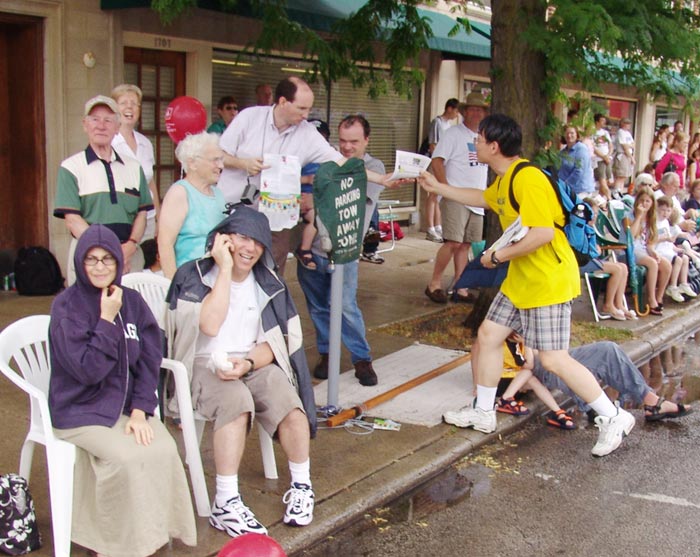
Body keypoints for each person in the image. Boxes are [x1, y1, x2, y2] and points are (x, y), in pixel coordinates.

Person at [418, 113, 636, 457]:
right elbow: (483, 198)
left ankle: (613, 416)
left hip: (547, 280)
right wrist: (438, 187)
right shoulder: (507, 179)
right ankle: (483, 411)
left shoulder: (528, 178)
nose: (475, 143)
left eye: (479, 139)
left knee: (553, 359)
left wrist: (497, 256)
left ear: (494, 146)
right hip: (523, 279)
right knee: (488, 337)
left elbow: (543, 233)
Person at [166, 206, 317, 536]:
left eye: (259, 242)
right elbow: (209, 325)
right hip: (201, 365)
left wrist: (247, 363)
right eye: (243, 238)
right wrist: (223, 269)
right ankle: (225, 503)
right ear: (224, 239)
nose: (250, 248)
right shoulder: (193, 276)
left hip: (249, 362)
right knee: (236, 402)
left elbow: (274, 345)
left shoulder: (268, 284)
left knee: (290, 404)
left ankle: (302, 486)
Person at [48, 224, 196, 557]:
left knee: (163, 449)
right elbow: (87, 371)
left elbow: (149, 359)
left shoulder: (132, 301)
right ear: (80, 263)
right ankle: (111, 545)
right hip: (81, 410)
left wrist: (141, 410)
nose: (100, 267)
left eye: (107, 259)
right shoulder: (67, 307)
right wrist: (105, 319)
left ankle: (153, 537)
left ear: (119, 262)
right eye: (91, 259)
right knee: (126, 458)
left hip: (126, 407)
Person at [217, 76, 389, 274]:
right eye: (301, 108)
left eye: (309, 109)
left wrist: (381, 179)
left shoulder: (307, 133)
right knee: (228, 273)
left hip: (276, 219)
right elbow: (217, 155)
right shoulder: (249, 117)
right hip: (234, 212)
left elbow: (340, 162)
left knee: (271, 276)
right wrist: (243, 163)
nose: (306, 115)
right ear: (283, 101)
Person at [296, 115, 384, 387]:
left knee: (345, 306)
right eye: (343, 141)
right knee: (318, 307)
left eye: (354, 141)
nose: (347, 147)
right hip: (312, 249)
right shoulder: (326, 160)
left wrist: (313, 196)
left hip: (345, 252)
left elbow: (349, 197)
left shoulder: (373, 167)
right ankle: (327, 353)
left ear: (366, 140)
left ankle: (361, 358)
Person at [54, 95, 153, 284]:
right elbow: (72, 220)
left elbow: (142, 214)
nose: (101, 126)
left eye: (108, 120)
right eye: (95, 119)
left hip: (130, 257)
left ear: (117, 127)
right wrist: (108, 254)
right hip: (89, 257)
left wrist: (131, 246)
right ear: (85, 125)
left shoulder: (134, 167)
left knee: (130, 303)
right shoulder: (71, 167)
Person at [425, 93, 489, 304]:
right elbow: (437, 161)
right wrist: (445, 188)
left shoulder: (484, 136)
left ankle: (460, 287)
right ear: (464, 112)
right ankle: (434, 284)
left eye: (480, 110)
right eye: (472, 109)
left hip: (477, 198)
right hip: (455, 196)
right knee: (453, 242)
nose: (476, 113)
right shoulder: (453, 133)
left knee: (465, 244)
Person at [531, 341, 690, 422]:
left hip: (547, 351)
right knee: (564, 364)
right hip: (536, 362)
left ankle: (651, 400)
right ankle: (601, 410)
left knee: (608, 349)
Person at [157, 132, 227, 278]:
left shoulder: (219, 194)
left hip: (218, 277)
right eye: (215, 160)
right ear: (192, 163)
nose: (221, 165)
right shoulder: (179, 192)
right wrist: (173, 285)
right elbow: (165, 244)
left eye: (221, 159)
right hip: (189, 279)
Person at [487, 335, 576, 430]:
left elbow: (537, 359)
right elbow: (529, 365)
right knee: (528, 372)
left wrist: (529, 343)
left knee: (533, 380)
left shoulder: (519, 342)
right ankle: (505, 400)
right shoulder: (506, 344)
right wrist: (527, 343)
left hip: (514, 380)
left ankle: (557, 412)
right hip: (499, 382)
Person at [111, 84, 160, 241]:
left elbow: (150, 182)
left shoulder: (145, 143)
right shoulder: (109, 143)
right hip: (122, 219)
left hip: (148, 217)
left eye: (134, 103)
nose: (129, 107)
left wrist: (158, 217)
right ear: (114, 108)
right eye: (124, 103)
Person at [580, 196, 635, 320]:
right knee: (617, 269)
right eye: (592, 213)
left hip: (592, 260)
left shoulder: (590, 228)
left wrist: (596, 250)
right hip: (585, 263)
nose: (594, 217)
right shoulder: (581, 228)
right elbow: (584, 251)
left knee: (623, 267)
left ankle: (619, 304)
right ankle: (608, 305)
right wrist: (596, 251)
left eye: (596, 214)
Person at [295, 119, 332, 271]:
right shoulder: (297, 156)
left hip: (317, 199)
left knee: (316, 217)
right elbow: (283, 178)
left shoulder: (327, 158)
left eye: (321, 138)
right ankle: (304, 249)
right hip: (296, 196)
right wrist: (307, 179)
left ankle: (306, 248)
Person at [630, 185, 671, 315]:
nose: (644, 203)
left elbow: (650, 242)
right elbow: (631, 236)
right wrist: (638, 216)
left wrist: (653, 252)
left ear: (652, 203)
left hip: (644, 250)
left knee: (666, 265)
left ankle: (659, 297)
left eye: (647, 201)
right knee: (652, 264)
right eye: (642, 200)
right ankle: (651, 299)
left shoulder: (651, 218)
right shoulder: (629, 216)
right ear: (637, 201)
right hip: (631, 249)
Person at [425, 98, 460, 242]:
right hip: (437, 163)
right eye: (456, 111)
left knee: (439, 195)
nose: (457, 115)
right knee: (433, 194)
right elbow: (433, 144)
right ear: (449, 109)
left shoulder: (449, 126)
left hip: (446, 164)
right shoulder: (437, 122)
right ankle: (430, 227)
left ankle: (438, 225)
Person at [655, 196, 696, 303]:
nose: (665, 213)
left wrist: (676, 248)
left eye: (668, 211)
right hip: (658, 250)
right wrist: (666, 239)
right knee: (678, 260)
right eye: (663, 210)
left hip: (667, 249)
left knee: (685, 257)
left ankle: (683, 284)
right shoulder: (654, 222)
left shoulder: (665, 223)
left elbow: (669, 243)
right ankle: (672, 286)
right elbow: (651, 240)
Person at [559, 125, 595, 197]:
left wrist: (565, 185)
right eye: (567, 133)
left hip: (580, 190)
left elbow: (579, 171)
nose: (569, 135)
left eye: (572, 133)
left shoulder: (581, 149)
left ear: (577, 135)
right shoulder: (563, 152)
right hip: (566, 190)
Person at [591, 113, 613, 198]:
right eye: (602, 120)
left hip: (607, 159)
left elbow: (610, 145)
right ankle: (609, 198)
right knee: (602, 181)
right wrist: (603, 157)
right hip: (598, 160)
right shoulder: (592, 133)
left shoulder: (605, 133)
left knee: (607, 181)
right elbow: (593, 148)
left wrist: (608, 155)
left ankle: (601, 199)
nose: (604, 122)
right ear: (597, 122)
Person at [612, 117, 635, 195]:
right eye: (627, 123)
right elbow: (624, 146)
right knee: (620, 176)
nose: (628, 125)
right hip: (622, 155)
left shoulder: (628, 133)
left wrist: (629, 146)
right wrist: (632, 158)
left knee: (624, 176)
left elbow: (633, 144)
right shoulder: (620, 132)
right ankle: (616, 193)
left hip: (628, 155)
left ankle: (620, 192)